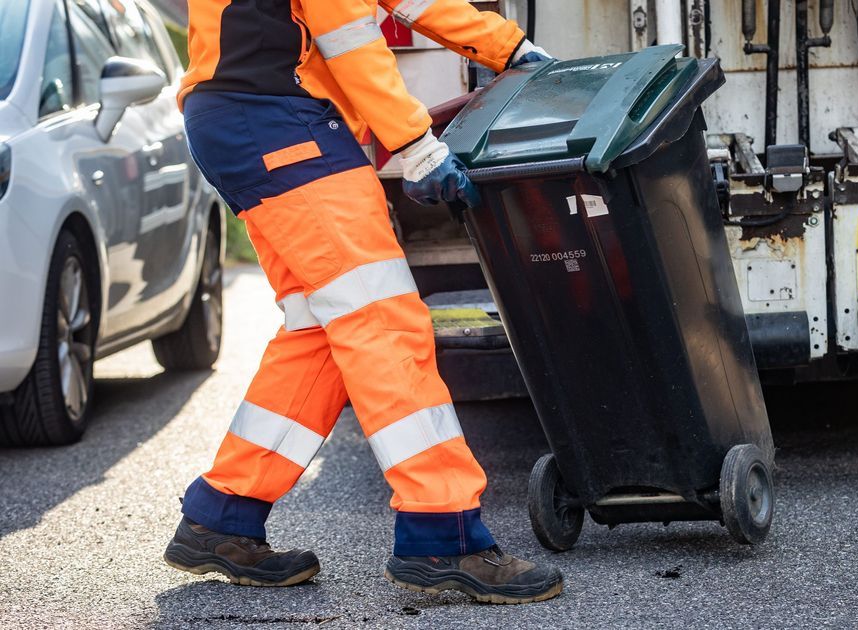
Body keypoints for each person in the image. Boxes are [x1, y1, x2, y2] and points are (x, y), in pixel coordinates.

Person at [161, 0, 560, 605]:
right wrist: (417, 145)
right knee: (382, 320)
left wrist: (506, 46)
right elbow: (346, 35)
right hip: (279, 122)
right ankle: (442, 532)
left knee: (322, 327)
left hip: (250, 119)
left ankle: (223, 514)